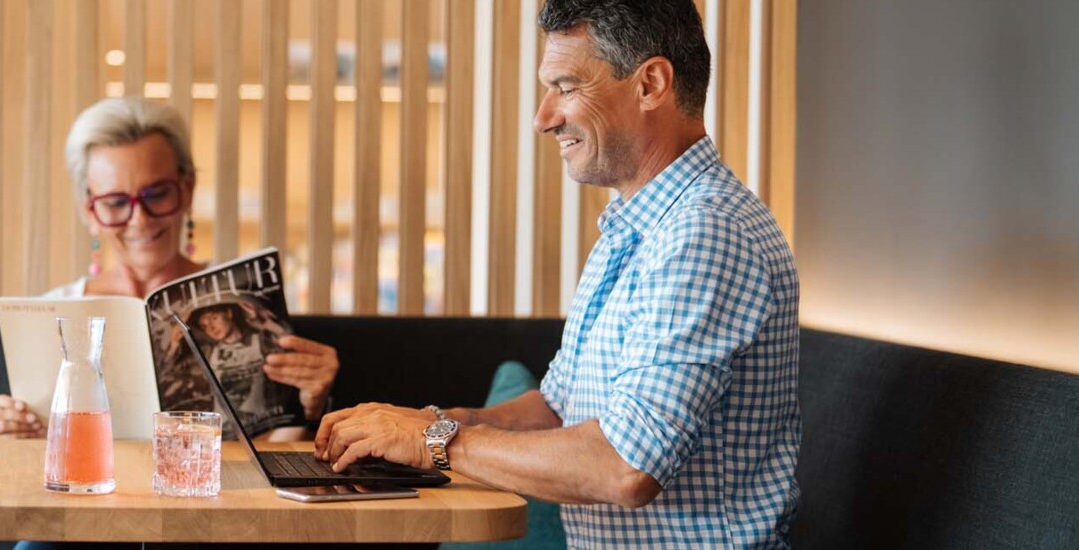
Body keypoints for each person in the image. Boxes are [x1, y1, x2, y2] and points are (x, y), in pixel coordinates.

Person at [313, 0, 801, 547]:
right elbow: (555, 410)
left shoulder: (706, 232)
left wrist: (434, 438)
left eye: (566, 86)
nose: (543, 117)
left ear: (651, 84)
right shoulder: (634, 228)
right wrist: (415, 423)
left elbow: (625, 467)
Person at [0, 98, 342, 442]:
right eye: (116, 202)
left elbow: (273, 453)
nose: (139, 219)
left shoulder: (248, 300)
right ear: (91, 212)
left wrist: (310, 408)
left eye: (157, 194)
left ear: (187, 190)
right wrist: (10, 431)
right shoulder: (53, 312)